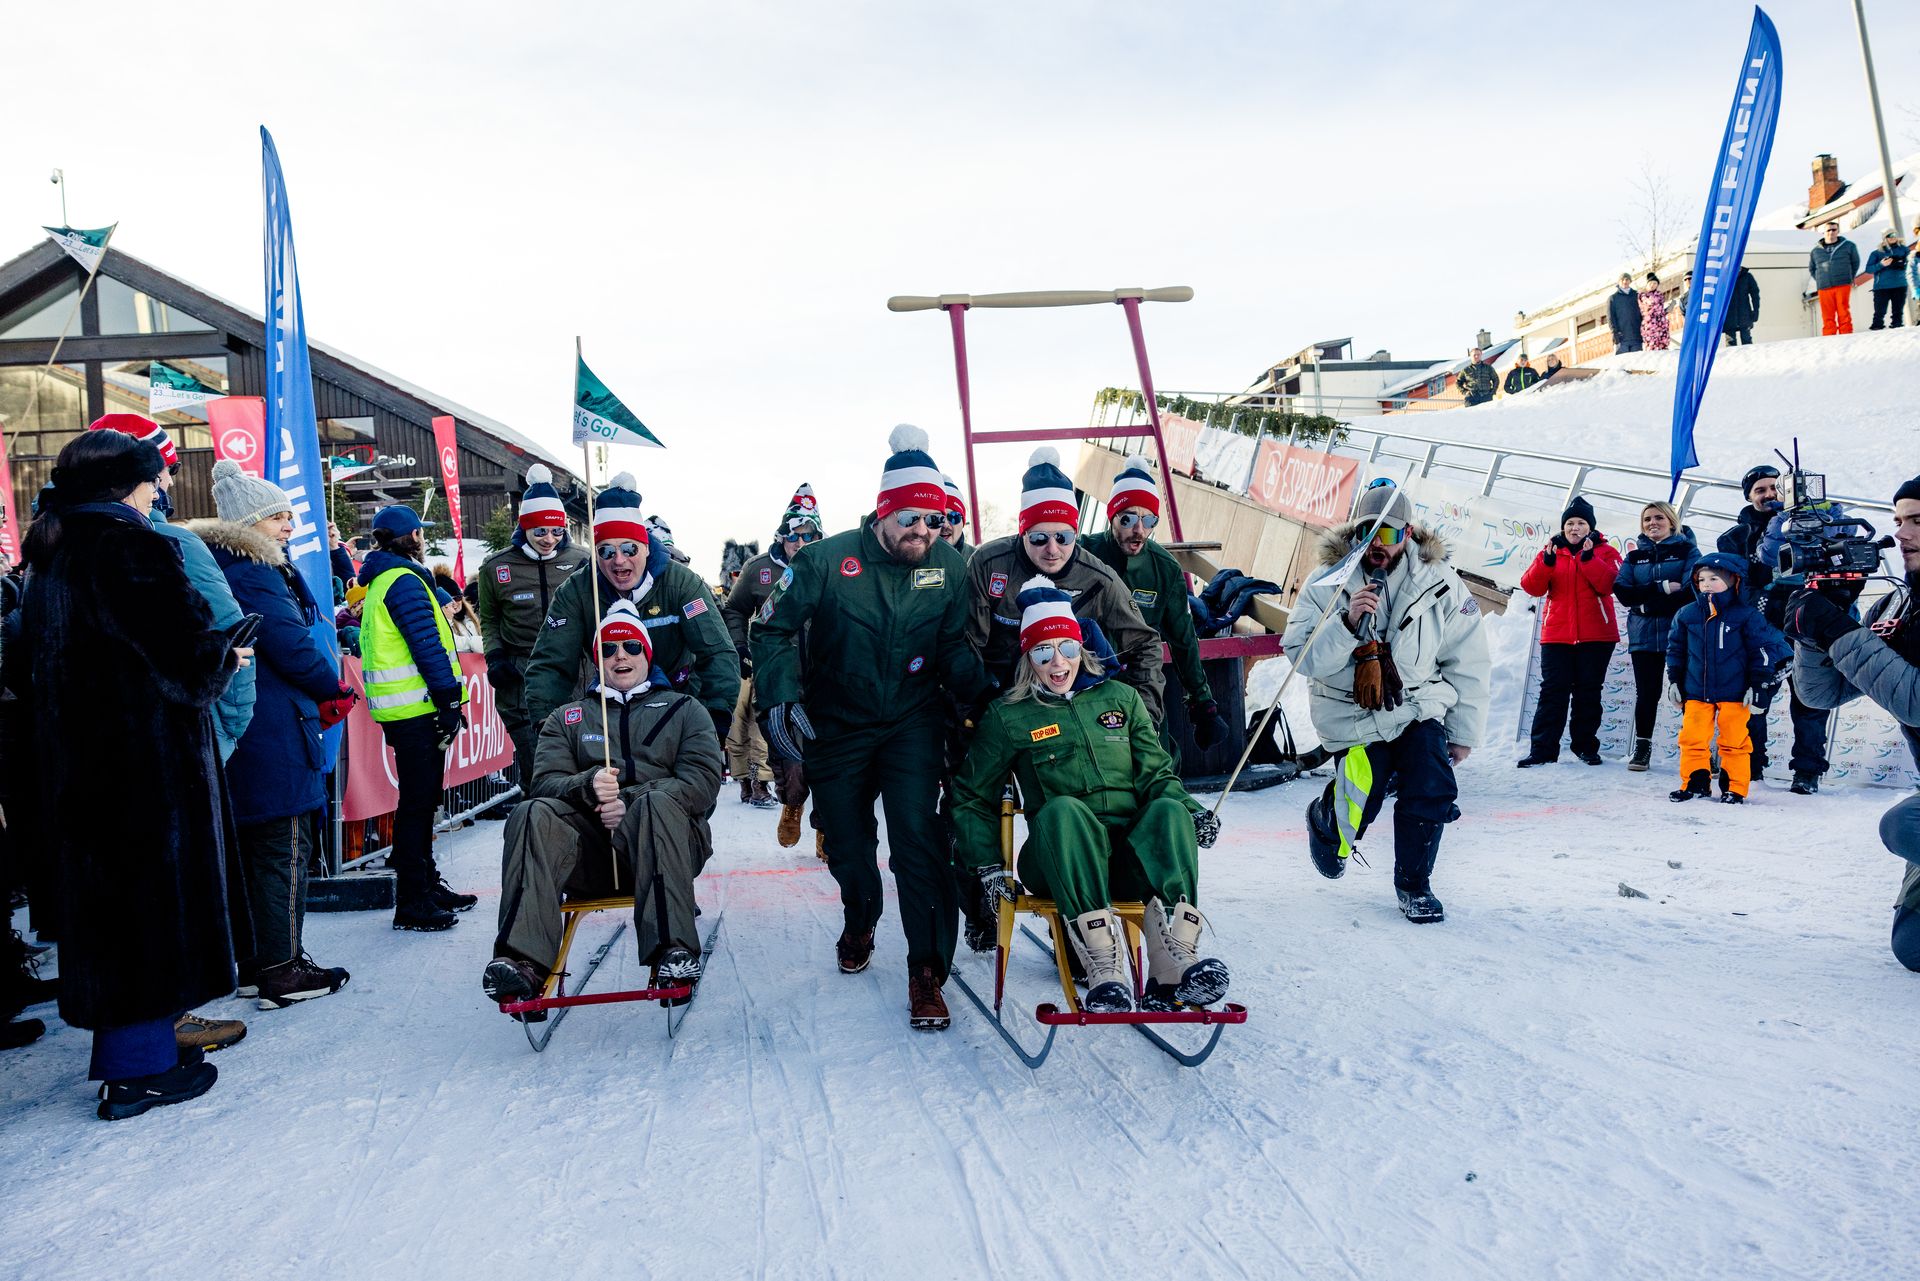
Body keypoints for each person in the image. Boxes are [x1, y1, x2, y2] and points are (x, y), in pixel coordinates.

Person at [8, 430, 249, 1119]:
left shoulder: (53, 552)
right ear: (126, 484)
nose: (160, 491)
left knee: (110, 914)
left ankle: (141, 1054)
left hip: (79, 767)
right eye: (152, 480)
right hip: (142, 769)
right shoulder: (131, 546)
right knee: (145, 913)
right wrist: (225, 656)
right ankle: (137, 1071)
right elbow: (183, 660)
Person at [752, 425, 990, 1030]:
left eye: (934, 520)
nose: (922, 531)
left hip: (911, 721)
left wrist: (982, 692)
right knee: (850, 846)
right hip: (838, 723)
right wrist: (780, 697)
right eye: (910, 517)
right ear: (884, 511)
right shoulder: (826, 561)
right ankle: (860, 915)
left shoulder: (948, 567)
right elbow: (771, 627)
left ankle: (927, 971)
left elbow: (952, 646)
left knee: (918, 840)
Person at [951, 578, 1227, 1013]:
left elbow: (1157, 774)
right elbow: (971, 796)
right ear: (1028, 658)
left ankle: (1174, 962)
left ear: (1083, 648)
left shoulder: (1122, 699)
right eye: (1043, 652)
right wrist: (986, 864)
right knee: (1064, 811)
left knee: (1169, 811)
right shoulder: (1010, 716)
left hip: (1125, 858)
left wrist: (1192, 811)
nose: (1057, 662)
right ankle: (1103, 969)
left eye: (1067, 648)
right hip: (1058, 857)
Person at [484, 600, 724, 1009]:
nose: (620, 656)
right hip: (590, 857)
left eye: (631, 647)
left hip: (668, 845)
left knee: (657, 804)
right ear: (597, 660)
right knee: (531, 812)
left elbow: (701, 784)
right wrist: (588, 786)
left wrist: (629, 802)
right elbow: (543, 782)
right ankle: (522, 962)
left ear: (646, 653)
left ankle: (673, 952)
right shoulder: (570, 717)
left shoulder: (686, 711)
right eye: (609, 650)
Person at [194, 460, 355, 1009]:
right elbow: (290, 645)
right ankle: (282, 969)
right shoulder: (254, 571)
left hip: (247, 728)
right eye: (278, 517)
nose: (289, 526)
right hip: (273, 727)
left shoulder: (215, 565)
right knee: (281, 845)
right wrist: (333, 683)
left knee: (249, 848)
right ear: (250, 524)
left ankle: (253, 963)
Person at [1292, 480, 1490, 923]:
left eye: (1388, 534)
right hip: (1351, 711)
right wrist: (1345, 623)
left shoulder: (1438, 580)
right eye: (1368, 533)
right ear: (1355, 532)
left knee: (1432, 783)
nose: (1376, 545)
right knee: (1366, 793)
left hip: (1416, 705)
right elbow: (1300, 658)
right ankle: (1327, 824)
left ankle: (1414, 885)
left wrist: (1462, 732)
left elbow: (1468, 658)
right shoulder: (1328, 580)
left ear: (1407, 534)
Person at [1787, 474, 1920, 970]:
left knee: (1903, 824)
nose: (1902, 534)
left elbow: (1914, 701)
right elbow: (1821, 694)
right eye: (1898, 521)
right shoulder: (1895, 603)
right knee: (1913, 950)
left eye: (1917, 521)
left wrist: (1837, 627)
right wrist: (1816, 625)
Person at [89, 415, 256, 763]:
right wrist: (230, 731)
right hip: (181, 741)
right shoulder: (172, 543)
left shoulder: (54, 544)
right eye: (171, 468)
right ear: (147, 474)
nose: (168, 482)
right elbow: (231, 637)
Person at [523, 473, 738, 743]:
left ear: (646, 548)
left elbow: (716, 651)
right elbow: (550, 661)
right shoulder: (578, 591)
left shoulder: (681, 583)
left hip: (678, 699)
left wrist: (714, 716)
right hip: (610, 708)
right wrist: (547, 722)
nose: (619, 560)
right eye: (606, 551)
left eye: (629, 549)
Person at [967, 447, 1166, 723]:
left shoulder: (1097, 578)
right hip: (1001, 701)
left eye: (1064, 537)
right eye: (1039, 538)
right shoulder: (989, 565)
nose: (1052, 549)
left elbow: (1144, 644)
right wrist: (976, 710)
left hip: (1073, 704)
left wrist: (1144, 720)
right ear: (1022, 530)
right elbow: (967, 645)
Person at [358, 503, 475, 932]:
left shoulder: (387, 578)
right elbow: (426, 645)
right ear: (410, 537)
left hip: (406, 709)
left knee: (422, 802)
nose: (424, 539)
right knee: (417, 804)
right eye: (419, 533)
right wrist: (448, 700)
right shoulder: (403, 581)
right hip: (416, 710)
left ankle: (425, 883)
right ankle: (413, 900)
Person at [1080, 455, 1227, 750]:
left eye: (1149, 520)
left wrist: (1202, 702)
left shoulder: (1164, 570)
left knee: (1157, 756)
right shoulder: (1083, 553)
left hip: (1139, 683)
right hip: (1085, 678)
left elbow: (1183, 639)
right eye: (1129, 519)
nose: (1139, 530)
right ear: (1112, 517)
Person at [1719, 464, 1835, 793]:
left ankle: (1807, 772)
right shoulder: (1733, 537)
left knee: (1809, 700)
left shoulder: (1815, 524)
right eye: (1760, 490)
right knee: (1753, 699)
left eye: (1775, 488)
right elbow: (1732, 586)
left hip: (1809, 626)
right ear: (1749, 497)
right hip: (1760, 629)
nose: (1769, 494)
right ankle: (1750, 764)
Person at [476, 465, 588, 782]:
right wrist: (495, 657)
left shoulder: (582, 560)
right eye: (540, 531)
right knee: (537, 771)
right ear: (524, 528)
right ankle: (540, 827)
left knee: (579, 768)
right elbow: (490, 618)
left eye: (556, 531)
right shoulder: (496, 567)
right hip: (521, 675)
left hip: (573, 672)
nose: (548, 539)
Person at [721, 483, 821, 812]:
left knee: (826, 756)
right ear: (781, 536)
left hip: (822, 673)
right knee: (782, 750)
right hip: (775, 673)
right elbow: (734, 609)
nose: (801, 543)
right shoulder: (759, 569)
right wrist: (740, 646)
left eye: (809, 536)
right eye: (794, 536)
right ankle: (790, 803)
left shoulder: (831, 564)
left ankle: (825, 828)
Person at [1666, 554, 1786, 804]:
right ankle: (1695, 783)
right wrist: (1675, 681)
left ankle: (1735, 788)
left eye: (1714, 578)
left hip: (1735, 692)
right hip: (1696, 691)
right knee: (1692, 739)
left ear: (1734, 581)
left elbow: (1762, 651)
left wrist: (1758, 685)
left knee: (1734, 741)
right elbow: (1675, 650)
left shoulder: (1747, 616)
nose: (1706, 584)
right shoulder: (1686, 614)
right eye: (1701, 579)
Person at [1517, 496, 1622, 767]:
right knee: (1553, 691)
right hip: (1557, 635)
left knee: (1588, 691)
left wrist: (1588, 559)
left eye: (1581, 523)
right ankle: (1542, 749)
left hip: (1596, 635)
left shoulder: (1606, 552)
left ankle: (1585, 746)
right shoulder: (1550, 551)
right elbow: (1532, 587)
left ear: (1590, 527)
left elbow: (1609, 584)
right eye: (1570, 523)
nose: (1575, 528)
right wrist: (1546, 563)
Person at [1612, 501, 1699, 771]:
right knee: (1647, 693)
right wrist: (1661, 588)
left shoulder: (1688, 550)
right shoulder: (1634, 556)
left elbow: (1688, 592)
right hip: (1644, 636)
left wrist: (1646, 604)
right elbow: (1623, 592)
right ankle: (1642, 747)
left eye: (1659, 518)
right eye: (1647, 519)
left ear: (1672, 522)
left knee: (1688, 692)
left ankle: (1697, 751)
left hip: (1680, 634)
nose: (1653, 523)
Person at [1810, 221, 1860, 336]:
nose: (1831, 232)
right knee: (1827, 315)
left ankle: (1846, 336)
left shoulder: (1849, 246)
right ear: (1824, 232)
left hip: (1842, 284)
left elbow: (1855, 263)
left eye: (1834, 229)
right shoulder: (1816, 251)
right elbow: (1812, 268)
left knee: (1844, 313)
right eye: (1828, 230)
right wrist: (1820, 279)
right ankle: (1829, 338)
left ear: (1838, 231)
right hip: (1824, 287)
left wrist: (1849, 277)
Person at [1866, 228, 1909, 331]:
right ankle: (1877, 328)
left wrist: (1902, 263)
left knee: (1898, 311)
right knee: (1879, 312)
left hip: (1900, 285)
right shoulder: (1877, 253)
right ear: (1885, 238)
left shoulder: (1904, 250)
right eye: (1890, 235)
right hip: (1882, 287)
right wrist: (1881, 264)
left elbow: (1911, 263)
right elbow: (1868, 269)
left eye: (1894, 234)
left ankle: (1898, 327)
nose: (1893, 237)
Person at [439, 585, 485, 655]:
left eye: (458, 598)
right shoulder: (442, 628)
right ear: (442, 608)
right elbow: (454, 642)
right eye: (451, 604)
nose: (455, 605)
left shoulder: (473, 618)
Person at [1723, 266, 1761, 346]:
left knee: (1746, 340)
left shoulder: (1747, 277)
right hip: (1729, 316)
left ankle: (1748, 358)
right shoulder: (1725, 277)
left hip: (1744, 315)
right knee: (1730, 342)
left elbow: (1755, 294)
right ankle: (1732, 358)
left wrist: (1756, 310)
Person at [1609, 273, 1644, 354]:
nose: (1625, 281)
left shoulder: (1636, 295)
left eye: (1627, 279)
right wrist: (1615, 334)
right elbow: (1611, 318)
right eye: (1622, 280)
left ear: (1630, 281)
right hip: (1622, 339)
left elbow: (1644, 312)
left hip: (1636, 337)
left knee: (1637, 364)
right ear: (1619, 282)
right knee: (1622, 365)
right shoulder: (1613, 298)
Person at [939, 473, 970, 555]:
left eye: (954, 517)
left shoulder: (978, 560)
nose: (945, 525)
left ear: (963, 522)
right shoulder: (912, 559)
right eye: (938, 517)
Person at [1639, 273, 1671, 351]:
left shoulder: (1660, 295)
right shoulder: (1642, 295)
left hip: (1661, 323)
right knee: (1651, 346)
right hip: (1649, 324)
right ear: (1647, 285)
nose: (1652, 285)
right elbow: (1649, 306)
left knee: (1663, 346)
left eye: (1655, 283)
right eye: (1650, 283)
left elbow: (1661, 309)